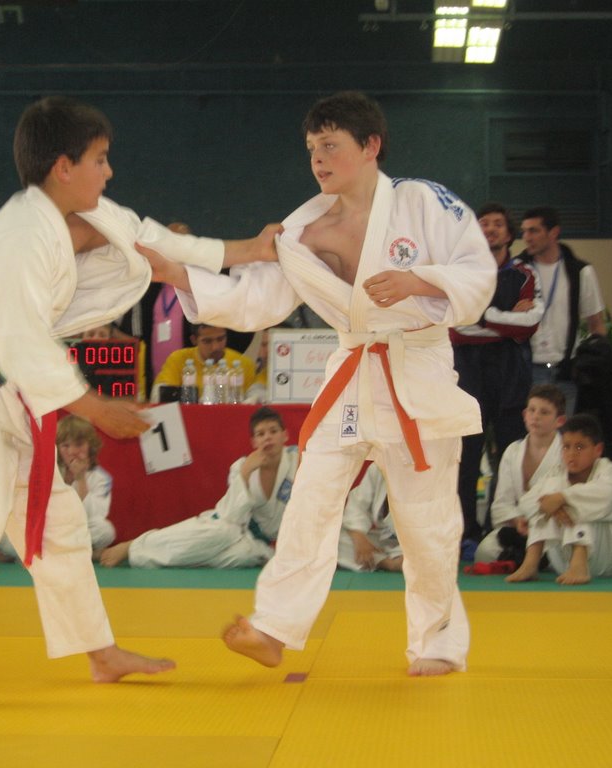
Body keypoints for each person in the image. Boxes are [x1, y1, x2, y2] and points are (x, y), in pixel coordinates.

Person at [0, 96, 275, 713]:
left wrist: (250, 249)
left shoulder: (98, 214)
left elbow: (157, 240)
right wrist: (93, 408)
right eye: (100, 158)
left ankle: (98, 651)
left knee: (58, 523)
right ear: (63, 166)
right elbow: (17, 338)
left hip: (4, 386)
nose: (109, 170)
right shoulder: (18, 235)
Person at [142, 91, 495, 675]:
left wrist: (419, 281)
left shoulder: (423, 203)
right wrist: (180, 273)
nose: (318, 160)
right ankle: (274, 627)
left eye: (330, 145)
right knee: (310, 499)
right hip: (352, 372)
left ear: (371, 145)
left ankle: (436, 643)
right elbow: (258, 298)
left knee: (425, 521)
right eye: (311, 148)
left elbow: (478, 275)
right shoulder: (303, 230)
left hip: (417, 372)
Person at [99, 406, 296, 568]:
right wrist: (246, 473)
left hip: (254, 542)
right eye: (261, 434)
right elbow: (231, 516)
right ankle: (133, 546)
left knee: (242, 555)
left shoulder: (297, 462)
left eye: (273, 431)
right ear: (253, 442)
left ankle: (143, 552)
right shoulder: (241, 467)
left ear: (285, 435)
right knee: (222, 533)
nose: (267, 437)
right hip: (223, 525)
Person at [452, 202, 542, 545]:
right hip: (467, 371)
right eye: (484, 223)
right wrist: (505, 319)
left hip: (510, 373)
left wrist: (482, 316)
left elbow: (528, 325)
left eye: (497, 224)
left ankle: (499, 530)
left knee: (508, 455)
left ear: (509, 233)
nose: (490, 229)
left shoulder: (524, 274)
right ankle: (464, 531)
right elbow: (455, 327)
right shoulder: (459, 272)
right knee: (466, 456)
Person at [506, 414, 612, 585]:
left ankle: (580, 563)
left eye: (580, 447)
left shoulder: (610, 472)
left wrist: (562, 498)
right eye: (566, 447)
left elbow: (607, 496)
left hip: (607, 559)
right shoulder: (557, 473)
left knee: (575, 501)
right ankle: (531, 562)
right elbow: (525, 503)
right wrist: (552, 505)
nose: (572, 453)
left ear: (598, 450)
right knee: (551, 491)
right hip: (563, 562)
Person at [516, 206, 605, 414]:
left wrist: (597, 360)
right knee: (532, 428)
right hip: (528, 368)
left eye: (533, 231)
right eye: (524, 231)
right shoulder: (516, 270)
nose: (527, 237)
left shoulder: (580, 271)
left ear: (554, 232)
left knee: (565, 431)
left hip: (566, 371)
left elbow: (596, 324)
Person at [474, 384, 566, 565]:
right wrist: (517, 520)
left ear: (560, 421)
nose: (536, 416)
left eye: (544, 412)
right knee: (484, 553)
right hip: (519, 526)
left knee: (557, 553)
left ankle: (527, 558)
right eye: (532, 410)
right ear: (524, 415)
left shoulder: (565, 452)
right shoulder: (513, 451)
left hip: (553, 529)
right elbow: (501, 504)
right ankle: (526, 557)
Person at [150, 323, 257, 402]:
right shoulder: (177, 359)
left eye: (220, 339)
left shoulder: (244, 364)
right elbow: (159, 396)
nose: (215, 347)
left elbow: (255, 399)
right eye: (207, 341)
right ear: (194, 340)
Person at [56, 414, 115, 556]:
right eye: (65, 445)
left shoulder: (102, 478)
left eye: (79, 444)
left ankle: (58, 553)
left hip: (78, 529)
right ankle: (77, 553)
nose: (72, 452)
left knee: (106, 531)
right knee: (8, 537)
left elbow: (94, 516)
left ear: (90, 446)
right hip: (52, 528)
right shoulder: (50, 471)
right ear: (57, 448)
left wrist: (80, 478)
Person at [337, 463, 402, 572]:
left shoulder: (424, 475)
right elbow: (357, 506)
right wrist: (359, 538)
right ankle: (387, 563)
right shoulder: (377, 468)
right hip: (382, 539)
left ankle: (377, 561)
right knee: (334, 541)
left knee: (426, 553)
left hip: (412, 543)